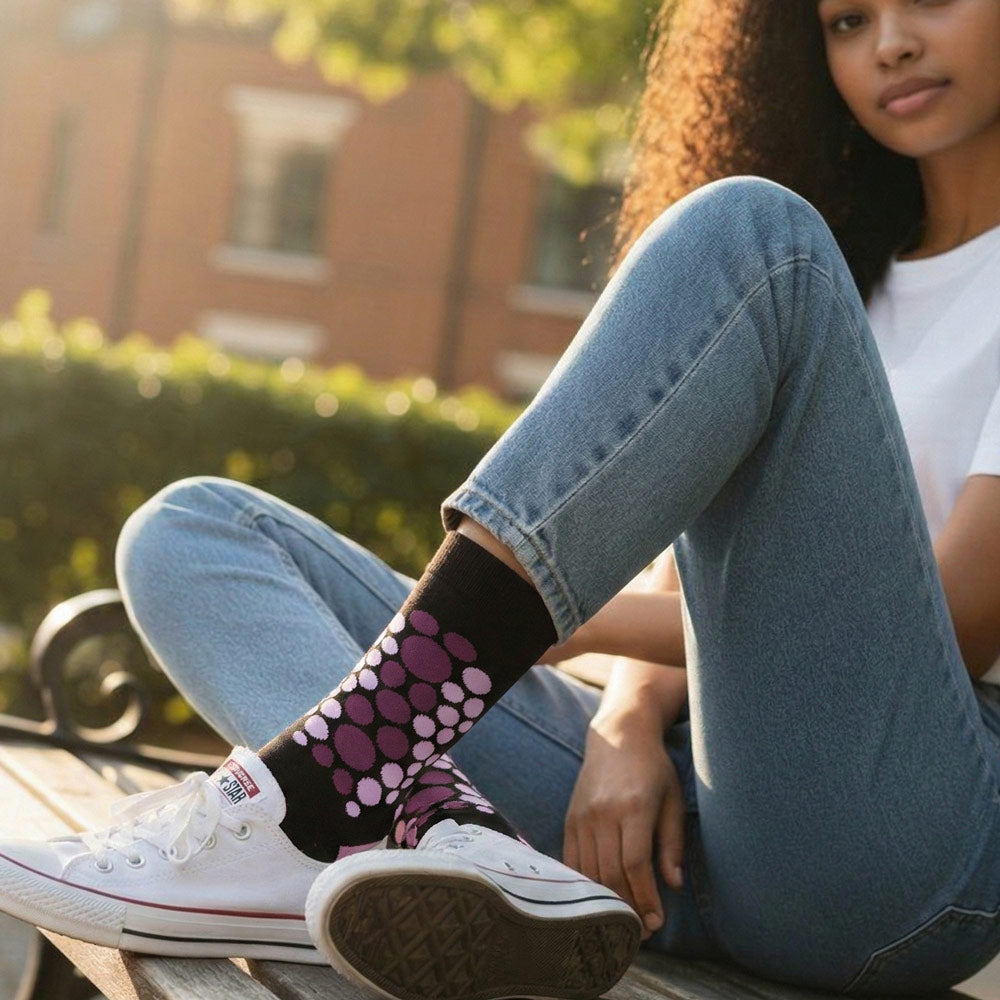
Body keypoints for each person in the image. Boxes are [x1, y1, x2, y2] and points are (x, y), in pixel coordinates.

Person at [3, 0, 1000, 995]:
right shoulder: (844, 280)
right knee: (194, 531)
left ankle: (328, 795)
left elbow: (949, 630)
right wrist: (625, 724)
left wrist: (554, 621)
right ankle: (451, 833)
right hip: (655, 842)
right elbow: (690, 558)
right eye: (846, 20)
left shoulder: (786, 273)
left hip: (885, 851)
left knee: (754, 229)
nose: (891, 43)